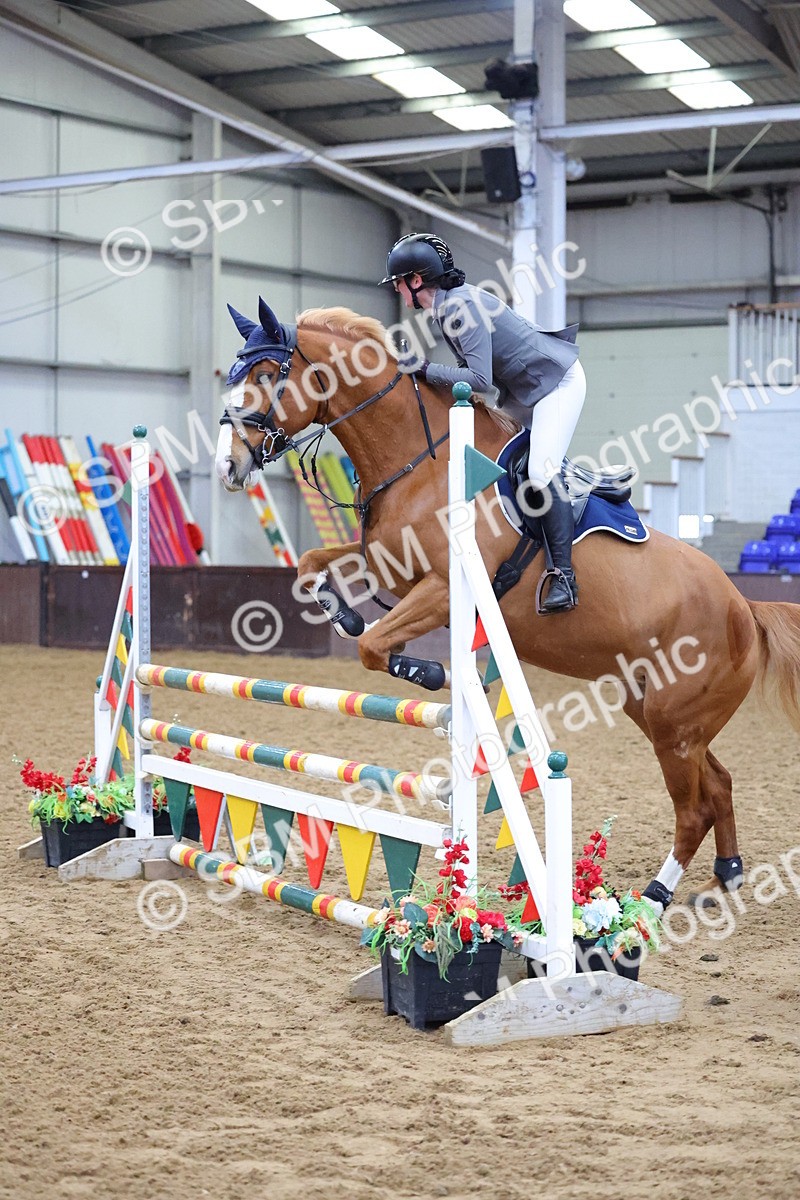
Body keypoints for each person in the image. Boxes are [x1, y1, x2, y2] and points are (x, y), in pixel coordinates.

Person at [380, 231, 586, 613]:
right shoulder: (445, 310)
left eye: (398, 284)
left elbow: (479, 381)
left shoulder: (459, 307)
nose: (397, 292)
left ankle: (563, 576)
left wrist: (423, 368)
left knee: (540, 472)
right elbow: (466, 374)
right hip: (525, 393)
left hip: (556, 385)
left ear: (416, 280)